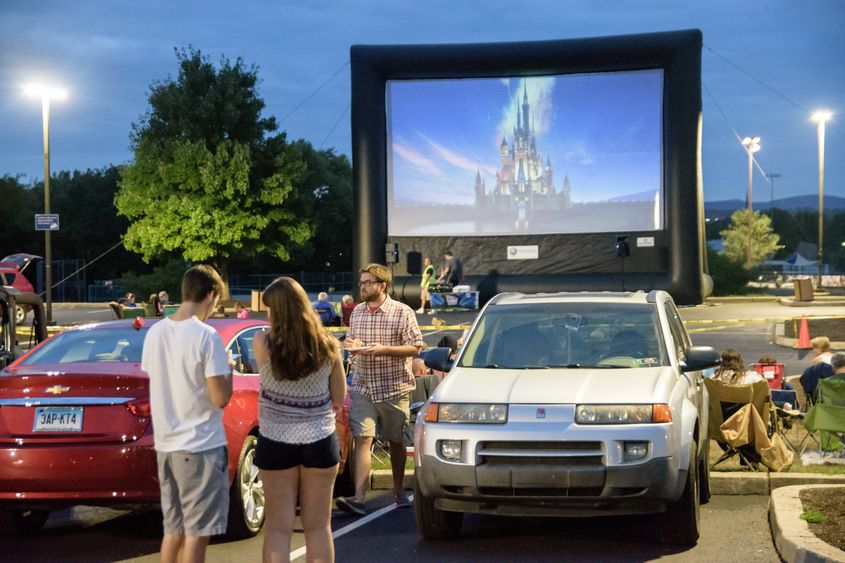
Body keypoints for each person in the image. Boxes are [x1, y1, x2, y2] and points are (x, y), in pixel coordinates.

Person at [140, 265, 233, 563]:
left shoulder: (155, 333)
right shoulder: (207, 336)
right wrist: (228, 370)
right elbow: (220, 398)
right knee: (197, 533)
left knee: (174, 529)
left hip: (166, 444)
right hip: (200, 445)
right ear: (211, 295)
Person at [252, 277, 346, 563]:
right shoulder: (328, 345)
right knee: (318, 527)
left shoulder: (263, 342)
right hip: (319, 437)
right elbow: (339, 396)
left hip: (275, 437)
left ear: (277, 310)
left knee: (278, 528)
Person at [335, 263, 424, 515]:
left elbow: (416, 347)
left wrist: (382, 349)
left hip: (394, 387)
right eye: (361, 282)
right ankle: (359, 498)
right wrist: (352, 344)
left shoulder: (402, 312)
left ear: (382, 286)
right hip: (363, 385)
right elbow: (352, 340)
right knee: (363, 439)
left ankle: (397, 491)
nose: (362, 287)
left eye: (367, 283)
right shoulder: (357, 312)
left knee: (396, 441)